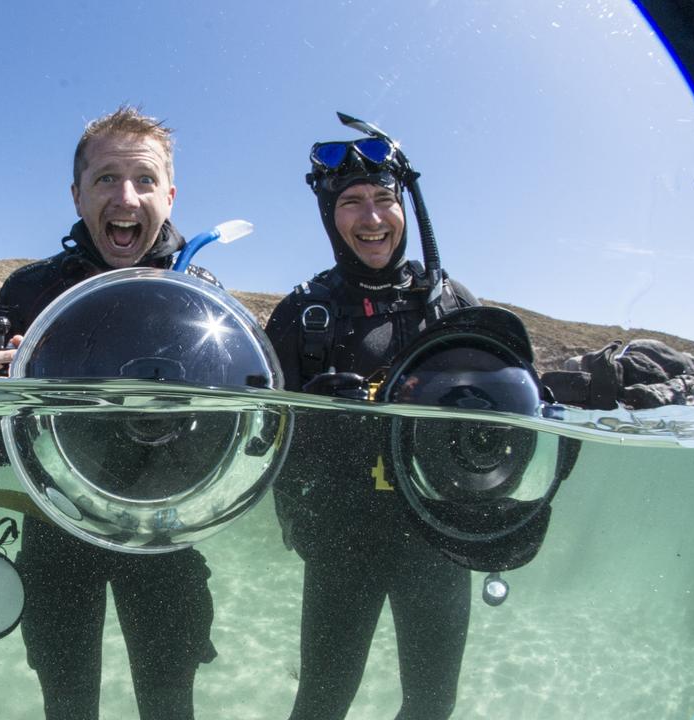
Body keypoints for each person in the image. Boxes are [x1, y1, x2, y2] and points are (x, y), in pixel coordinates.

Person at [0, 106, 217, 720]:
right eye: (106, 179)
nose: (125, 196)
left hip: (163, 532)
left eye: (144, 180)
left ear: (170, 194)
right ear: (77, 193)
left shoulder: (204, 298)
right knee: (66, 702)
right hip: (56, 529)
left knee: (168, 704)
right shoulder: (27, 291)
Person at [264, 126, 480, 719]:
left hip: (437, 540)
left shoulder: (451, 303)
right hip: (340, 543)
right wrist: (314, 411)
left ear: (405, 206)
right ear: (329, 217)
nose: (372, 216)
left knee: (432, 704)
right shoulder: (305, 314)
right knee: (322, 702)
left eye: (384, 198)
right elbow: (261, 429)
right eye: (351, 202)